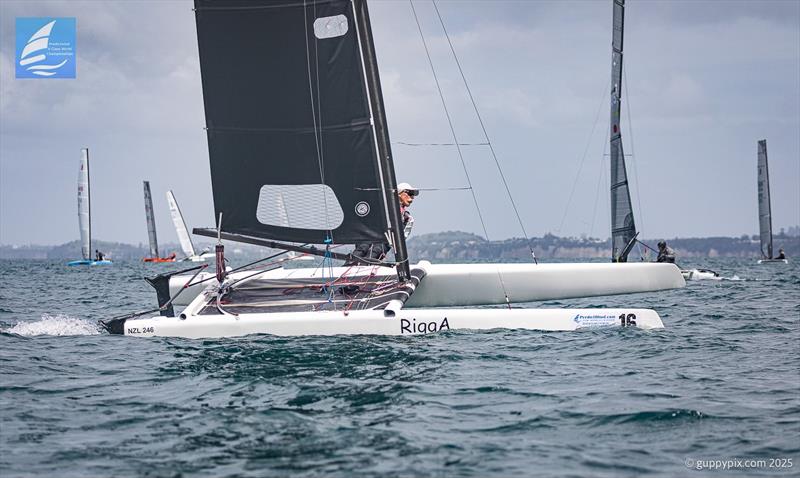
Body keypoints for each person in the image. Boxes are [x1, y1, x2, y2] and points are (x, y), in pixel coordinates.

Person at [347, 182, 419, 264]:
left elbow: (402, 237)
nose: (412, 198)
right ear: (399, 193)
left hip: (384, 241)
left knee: (376, 251)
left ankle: (364, 266)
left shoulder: (407, 217)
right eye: (410, 193)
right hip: (369, 235)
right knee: (362, 248)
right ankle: (347, 266)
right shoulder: (383, 204)